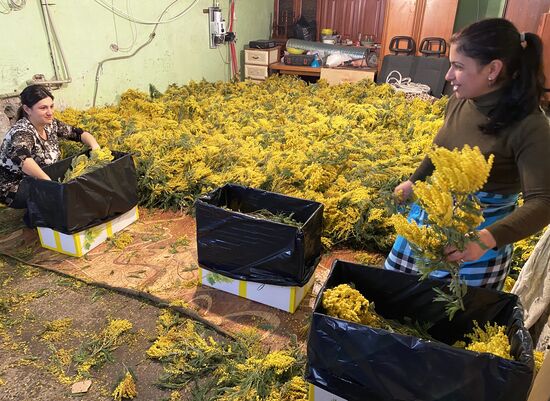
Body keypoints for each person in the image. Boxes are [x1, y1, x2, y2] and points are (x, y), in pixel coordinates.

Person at [384, 18, 550, 290]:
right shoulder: (460, 102)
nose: (448, 76)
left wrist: (484, 240)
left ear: (493, 69)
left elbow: (543, 202)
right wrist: (414, 182)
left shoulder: (531, 126)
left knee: (451, 323)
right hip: (427, 225)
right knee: (394, 298)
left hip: (476, 247)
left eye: (458, 66)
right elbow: (440, 149)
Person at [0, 84, 100, 209]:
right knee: (69, 195)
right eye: (43, 108)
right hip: (15, 186)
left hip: (43, 177)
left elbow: (78, 133)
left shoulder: (50, 124)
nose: (50, 112)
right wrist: (49, 183)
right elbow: (22, 158)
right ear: (27, 109)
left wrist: (95, 147)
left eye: (51, 106)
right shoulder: (22, 131)